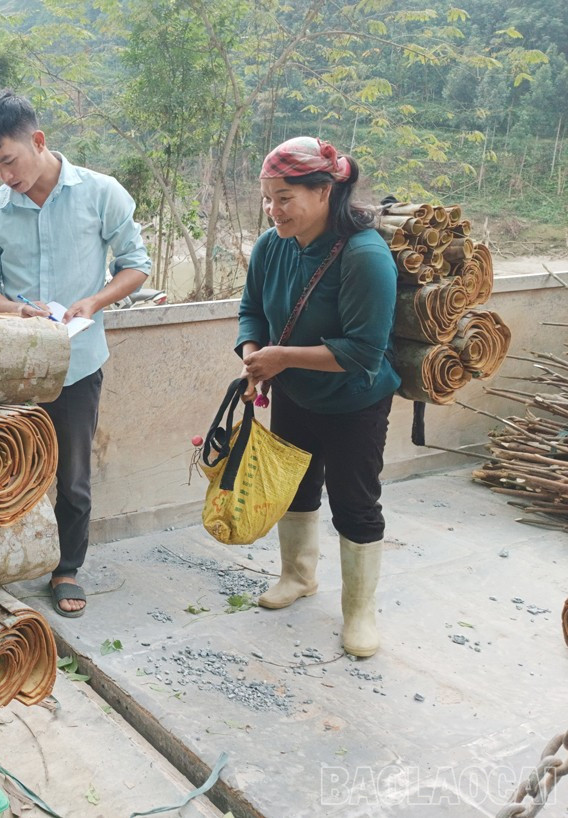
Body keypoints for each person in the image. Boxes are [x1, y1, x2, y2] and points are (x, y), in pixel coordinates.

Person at [0, 90, 151, 618]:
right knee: (2, 470)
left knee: (71, 475)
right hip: (15, 369)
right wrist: (14, 311)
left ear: (38, 141)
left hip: (79, 362)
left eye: (9, 160)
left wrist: (94, 300)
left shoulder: (100, 193)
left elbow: (135, 266)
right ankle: (1, 563)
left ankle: (67, 568)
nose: (5, 175)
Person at [236, 136, 400, 658]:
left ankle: (359, 612)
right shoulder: (271, 246)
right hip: (294, 394)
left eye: (285, 198)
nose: (273, 209)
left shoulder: (364, 255)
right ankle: (298, 576)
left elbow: (363, 352)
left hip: (356, 400)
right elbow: (251, 311)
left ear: (325, 192)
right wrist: (253, 354)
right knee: (295, 486)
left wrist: (280, 358)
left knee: (354, 503)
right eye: (268, 198)